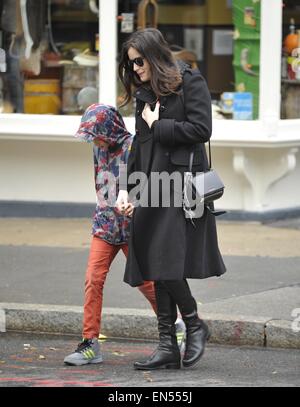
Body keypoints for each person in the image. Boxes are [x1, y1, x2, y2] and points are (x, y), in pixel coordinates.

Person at [117, 28, 226, 370]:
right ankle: (167, 343)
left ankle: (193, 323)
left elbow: (201, 129)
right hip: (151, 186)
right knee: (154, 261)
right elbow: (140, 144)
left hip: (181, 187)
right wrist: (126, 188)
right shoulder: (144, 94)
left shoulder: (189, 81)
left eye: (138, 62)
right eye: (130, 64)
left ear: (152, 55)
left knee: (163, 259)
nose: (135, 69)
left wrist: (160, 123)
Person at [63, 103, 158, 366]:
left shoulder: (133, 147)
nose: (96, 140)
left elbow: (149, 183)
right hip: (104, 224)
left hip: (131, 227)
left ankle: (173, 327)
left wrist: (136, 204)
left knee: (145, 282)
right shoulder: (98, 148)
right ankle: (89, 344)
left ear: (111, 128)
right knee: (93, 279)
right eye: (92, 135)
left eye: (98, 134)